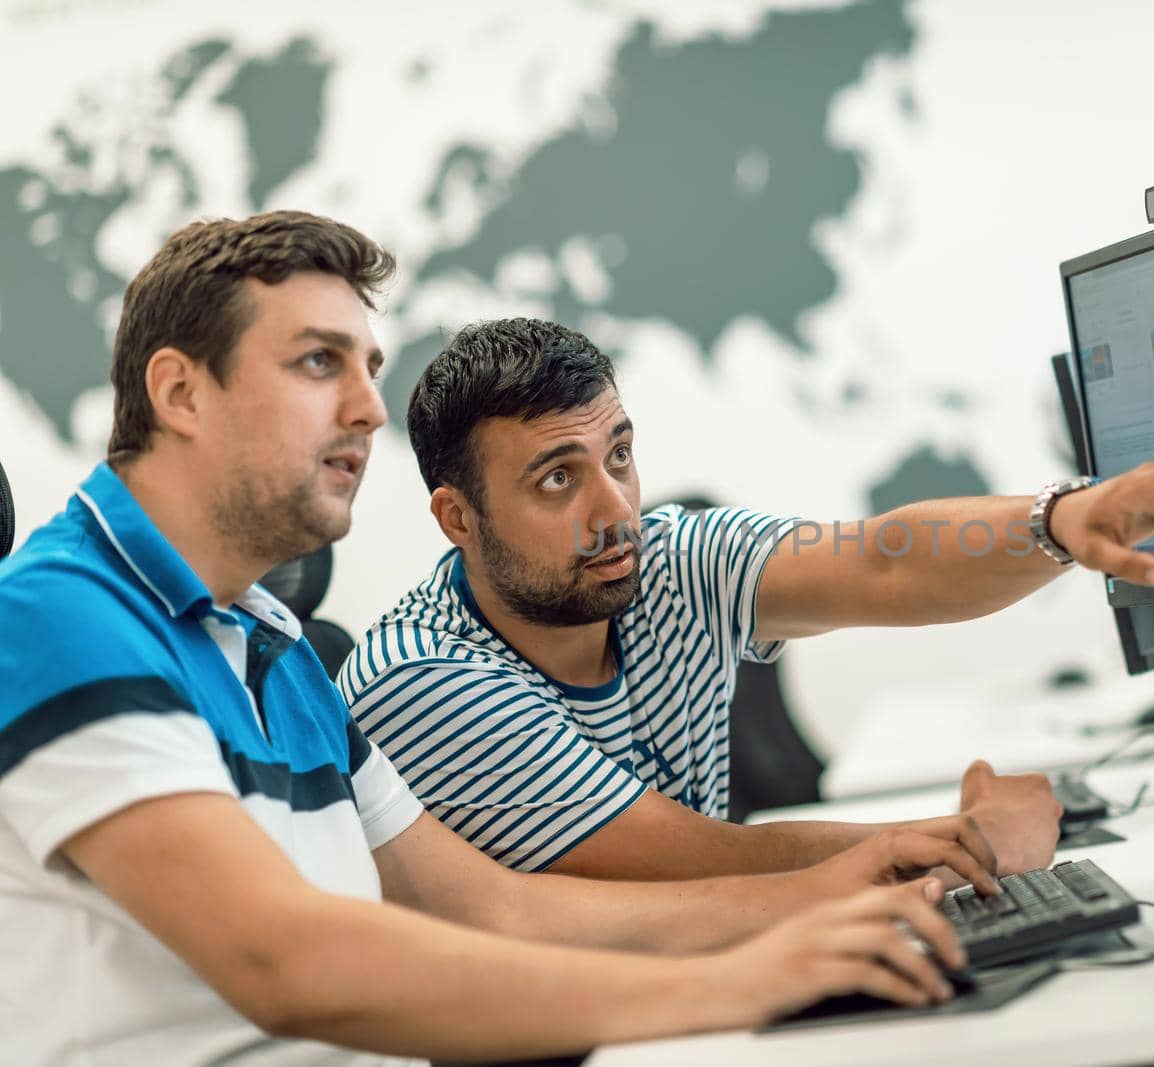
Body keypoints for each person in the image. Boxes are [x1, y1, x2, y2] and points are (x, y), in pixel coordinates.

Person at [0, 212, 1005, 1066]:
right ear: (181, 392)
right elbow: (286, 961)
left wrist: (834, 899)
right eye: (317, 363)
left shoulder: (266, 635)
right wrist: (736, 980)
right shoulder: (56, 618)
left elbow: (490, 907)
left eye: (367, 368)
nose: (364, 409)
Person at [340, 317, 1154, 883]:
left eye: (618, 454)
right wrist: (961, 841)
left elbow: (886, 561)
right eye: (556, 480)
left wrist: (1064, 521)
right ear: (458, 518)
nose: (615, 509)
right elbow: (693, 863)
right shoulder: (421, 677)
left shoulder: (669, 558)